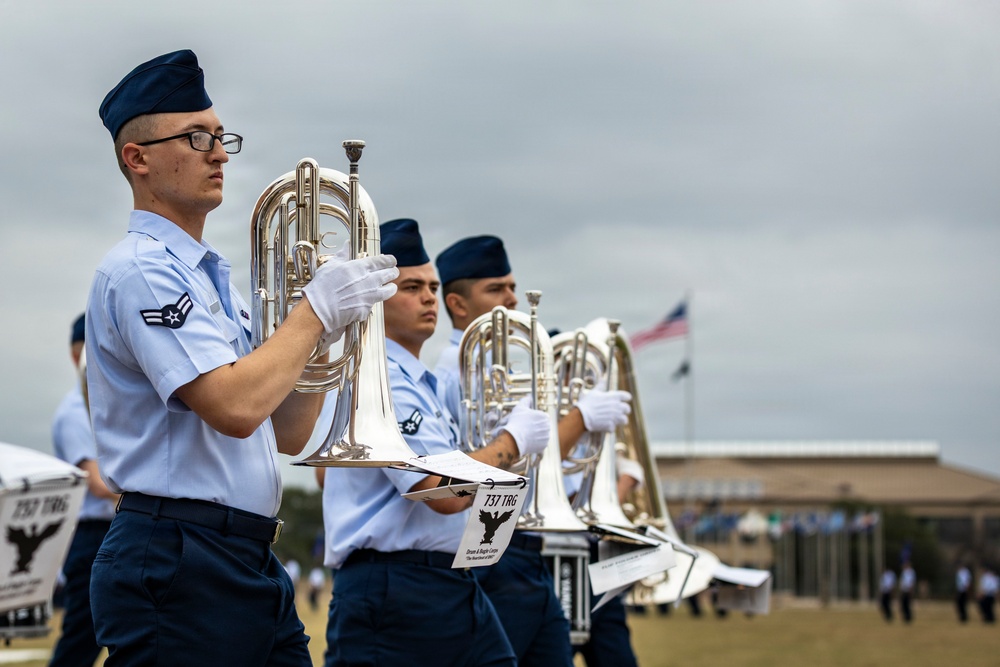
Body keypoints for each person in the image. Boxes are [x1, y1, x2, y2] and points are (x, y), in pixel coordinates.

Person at [86, 49, 397, 665]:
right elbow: (233, 407)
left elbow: (287, 430)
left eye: (221, 136)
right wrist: (312, 313)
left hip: (242, 554)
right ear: (137, 158)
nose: (220, 153)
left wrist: (325, 336)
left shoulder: (216, 283)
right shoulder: (141, 270)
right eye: (196, 137)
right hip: (180, 554)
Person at [320, 219, 550, 667]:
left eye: (432, 286)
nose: (429, 297)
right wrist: (513, 440)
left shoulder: (418, 382)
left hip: (446, 577)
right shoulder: (381, 380)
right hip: (395, 587)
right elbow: (442, 492)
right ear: (376, 299)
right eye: (411, 287)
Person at [434, 235, 632, 667]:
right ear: (458, 304)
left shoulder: (498, 366)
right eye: (495, 289)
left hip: (526, 550)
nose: (512, 298)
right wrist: (579, 418)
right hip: (495, 548)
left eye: (512, 286)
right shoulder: (457, 369)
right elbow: (514, 465)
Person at [49, 314, 119, 667]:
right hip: (92, 535)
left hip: (109, 530)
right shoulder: (75, 412)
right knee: (81, 640)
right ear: (78, 355)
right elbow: (98, 483)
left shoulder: (106, 402)